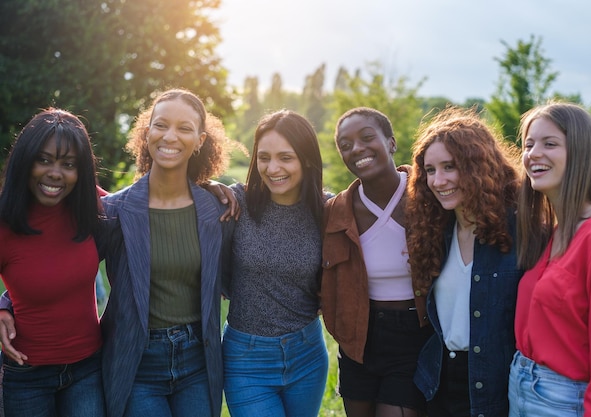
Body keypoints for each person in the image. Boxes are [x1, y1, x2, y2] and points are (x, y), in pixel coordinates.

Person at [97, 88, 234, 417]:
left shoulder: (217, 209)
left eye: (184, 128)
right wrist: (8, 302)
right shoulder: (114, 211)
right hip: (137, 362)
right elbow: (63, 262)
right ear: (146, 134)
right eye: (161, 125)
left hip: (198, 362)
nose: (170, 136)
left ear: (200, 140)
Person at [509, 102, 591, 417]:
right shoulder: (555, 231)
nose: (534, 153)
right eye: (529, 144)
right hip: (520, 384)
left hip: (563, 400)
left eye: (550, 144)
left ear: (581, 153)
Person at [405, 106, 523, 417]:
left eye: (449, 167)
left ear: (477, 167)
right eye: (430, 170)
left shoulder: (520, 231)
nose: (438, 180)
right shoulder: (435, 232)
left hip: (495, 384)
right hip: (439, 383)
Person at [321, 107, 432, 417]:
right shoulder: (336, 211)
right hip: (358, 339)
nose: (357, 149)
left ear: (392, 143)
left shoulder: (427, 198)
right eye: (345, 145)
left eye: (367, 138)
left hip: (413, 335)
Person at [221, 109, 329, 417]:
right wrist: (210, 185)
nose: (272, 168)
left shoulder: (326, 209)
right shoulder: (236, 202)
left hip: (307, 353)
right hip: (246, 358)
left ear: (306, 159)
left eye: (285, 157)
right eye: (264, 157)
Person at [0, 108, 105, 416]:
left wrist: (208, 187)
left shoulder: (92, 204)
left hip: (88, 370)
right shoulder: (4, 223)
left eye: (68, 164)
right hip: (26, 376)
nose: (55, 173)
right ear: (25, 161)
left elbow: (153, 200)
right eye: (44, 160)